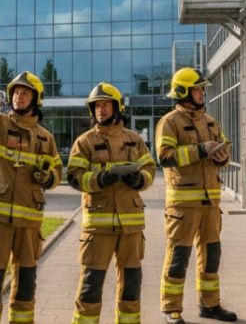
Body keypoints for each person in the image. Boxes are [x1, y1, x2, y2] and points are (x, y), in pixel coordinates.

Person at [0, 53, 63, 324]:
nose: (18, 96)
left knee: (26, 287)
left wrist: (47, 177)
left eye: (25, 93)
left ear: (35, 99)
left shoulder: (46, 138)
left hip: (30, 224)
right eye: (15, 91)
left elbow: (57, 173)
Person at [67, 83, 156, 324]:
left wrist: (139, 180)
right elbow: (74, 177)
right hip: (98, 228)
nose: (100, 109)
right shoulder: (84, 142)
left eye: (105, 104)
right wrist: (100, 179)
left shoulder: (135, 140)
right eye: (96, 105)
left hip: (132, 228)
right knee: (90, 287)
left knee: (131, 286)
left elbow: (150, 169)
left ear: (117, 108)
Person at [158, 68, 237, 324]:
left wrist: (223, 157)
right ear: (183, 92)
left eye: (202, 88)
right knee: (178, 257)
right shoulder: (170, 121)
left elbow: (223, 151)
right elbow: (166, 157)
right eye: (198, 88)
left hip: (211, 203)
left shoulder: (211, 121)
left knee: (212, 256)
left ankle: (210, 305)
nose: (203, 92)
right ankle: (171, 308)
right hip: (183, 204)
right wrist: (201, 149)